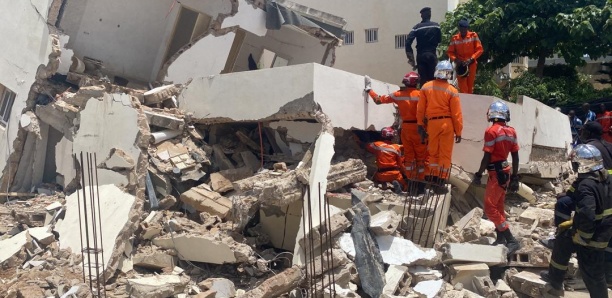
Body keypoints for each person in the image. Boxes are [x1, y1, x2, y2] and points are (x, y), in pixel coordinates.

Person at [540, 122, 612, 287]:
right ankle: (609, 274)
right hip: (608, 194)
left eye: (583, 131)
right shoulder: (608, 146)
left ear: (587, 132)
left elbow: (583, 181)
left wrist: (569, 194)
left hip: (597, 194)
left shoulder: (588, 151)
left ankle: (559, 237)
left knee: (563, 204)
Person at [471, 101, 521, 255]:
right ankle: (501, 238)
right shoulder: (512, 131)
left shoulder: (491, 131)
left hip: (495, 172)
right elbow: (516, 156)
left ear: (491, 114)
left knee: (490, 207)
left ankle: (511, 239)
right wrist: (514, 177)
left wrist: (478, 174)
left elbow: (487, 156)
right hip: (505, 171)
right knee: (498, 206)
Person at [365, 72, 428, 194]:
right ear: (417, 82)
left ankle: (410, 185)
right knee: (421, 158)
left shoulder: (398, 95)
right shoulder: (422, 95)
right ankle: (420, 187)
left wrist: (369, 90)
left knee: (409, 158)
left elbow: (378, 100)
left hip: (405, 129)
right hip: (419, 129)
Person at [417, 60, 463, 191]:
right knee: (445, 154)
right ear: (449, 74)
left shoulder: (426, 86)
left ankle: (432, 179)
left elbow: (420, 109)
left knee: (433, 153)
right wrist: (458, 131)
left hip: (432, 123)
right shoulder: (452, 90)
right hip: (447, 123)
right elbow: (456, 113)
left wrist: (420, 124)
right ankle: (441, 182)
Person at [405, 7, 442, 86]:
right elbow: (439, 40)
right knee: (433, 80)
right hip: (432, 55)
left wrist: (411, 59)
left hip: (421, 56)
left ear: (421, 16)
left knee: (423, 81)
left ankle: (423, 97)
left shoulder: (416, 28)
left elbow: (408, 42)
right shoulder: (436, 26)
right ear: (430, 15)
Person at [446, 19, 483, 94]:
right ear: (459, 28)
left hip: (471, 64)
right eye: (462, 28)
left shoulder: (473, 35)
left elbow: (480, 49)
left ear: (467, 28)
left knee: (470, 86)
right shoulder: (454, 38)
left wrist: (471, 59)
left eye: (465, 28)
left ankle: (469, 103)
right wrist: (456, 60)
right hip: (461, 66)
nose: (463, 30)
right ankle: (465, 102)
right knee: (462, 87)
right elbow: (450, 52)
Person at [365, 127, 407, 194]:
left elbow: (367, 146)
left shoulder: (377, 145)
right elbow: (400, 164)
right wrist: (405, 173)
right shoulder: (396, 148)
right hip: (395, 174)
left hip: (381, 174)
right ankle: (400, 187)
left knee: (375, 179)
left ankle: (382, 183)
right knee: (405, 186)